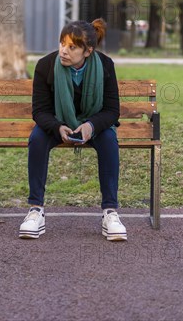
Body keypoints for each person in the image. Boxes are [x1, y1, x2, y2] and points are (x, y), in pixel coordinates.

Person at [19, 18, 127, 241]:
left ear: (87, 51)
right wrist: (57, 126)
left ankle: (110, 212)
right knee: (37, 138)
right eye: (62, 44)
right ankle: (35, 210)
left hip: (93, 124)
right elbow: (40, 111)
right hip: (58, 124)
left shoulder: (105, 65)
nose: (64, 51)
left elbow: (111, 110)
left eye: (72, 47)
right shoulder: (46, 65)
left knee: (108, 140)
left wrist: (91, 125)